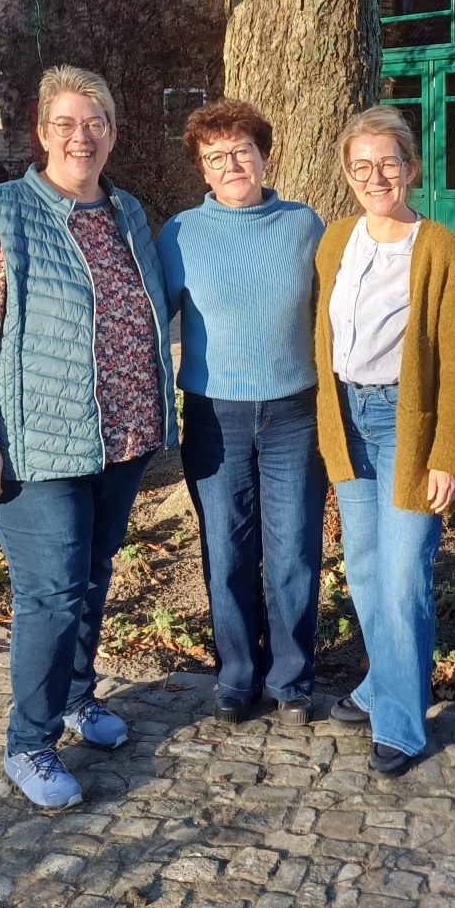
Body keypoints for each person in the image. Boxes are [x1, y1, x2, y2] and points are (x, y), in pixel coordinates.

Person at [0, 64, 176, 810]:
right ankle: (30, 743)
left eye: (95, 122)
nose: (82, 137)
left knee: (92, 578)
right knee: (51, 593)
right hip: (31, 447)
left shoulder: (127, 211)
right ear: (42, 133)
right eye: (66, 123)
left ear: (113, 133)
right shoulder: (1, 212)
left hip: (121, 438)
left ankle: (76, 697)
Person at [315, 105, 455, 776]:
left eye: (388, 162)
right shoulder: (336, 240)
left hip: (405, 426)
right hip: (346, 418)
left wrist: (449, 454)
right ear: (348, 174)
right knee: (364, 568)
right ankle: (381, 682)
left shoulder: (439, 248)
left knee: (405, 573)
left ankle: (403, 725)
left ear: (410, 167)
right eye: (362, 166)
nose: (375, 176)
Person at [157, 98, 326, 725]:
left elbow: (335, 313)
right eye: (215, 156)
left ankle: (291, 677)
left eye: (241, 151)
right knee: (226, 550)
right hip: (215, 416)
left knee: (293, 551)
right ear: (202, 168)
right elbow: (147, 319)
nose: (231, 165)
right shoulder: (180, 234)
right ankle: (236, 675)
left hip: (293, 414)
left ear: (264, 156)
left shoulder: (303, 225)